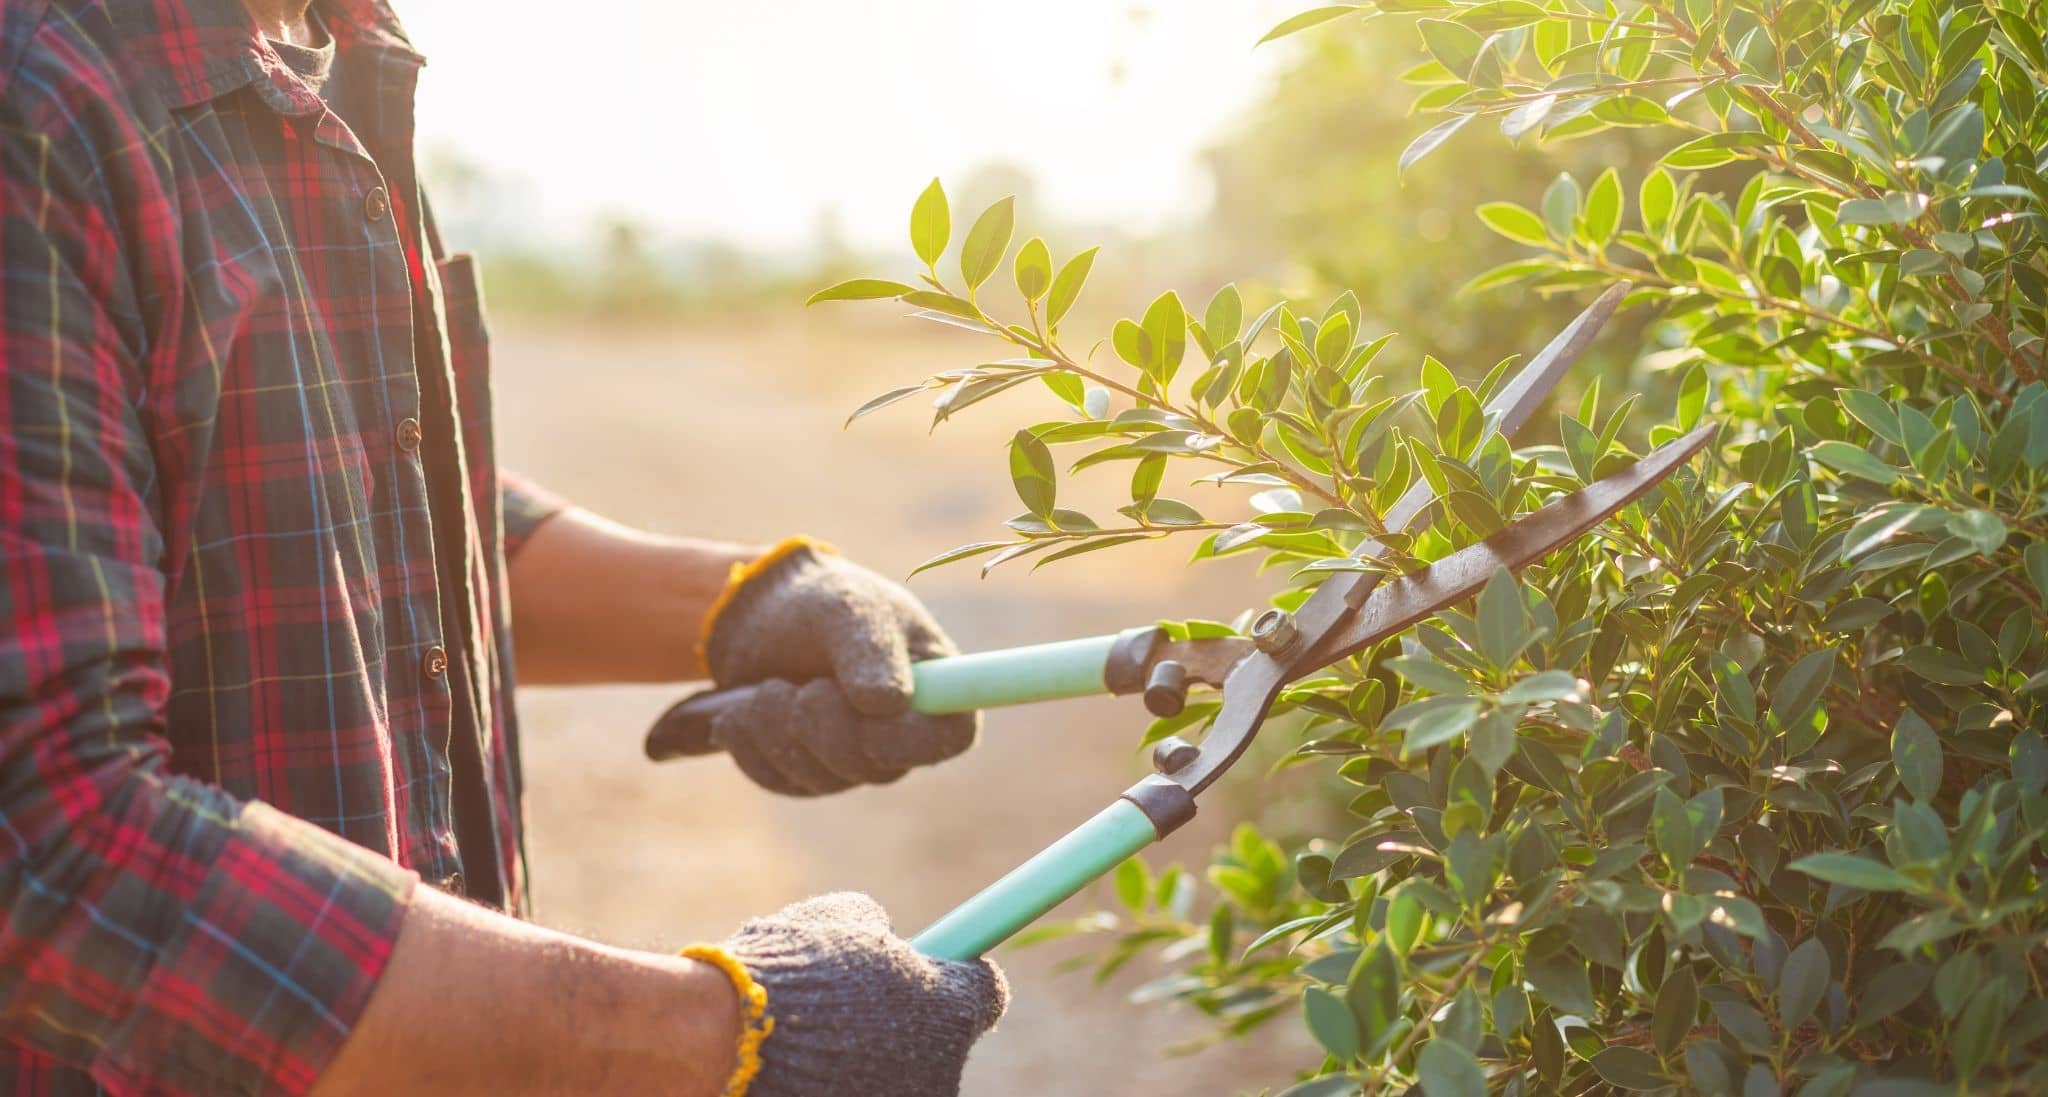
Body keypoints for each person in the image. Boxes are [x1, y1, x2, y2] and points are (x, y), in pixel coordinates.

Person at [0, 0, 1007, 1092]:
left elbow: (353, 494)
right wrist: (705, 1031)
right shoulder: (41, 96)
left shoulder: (329, 53)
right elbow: (47, 840)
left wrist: (737, 605)